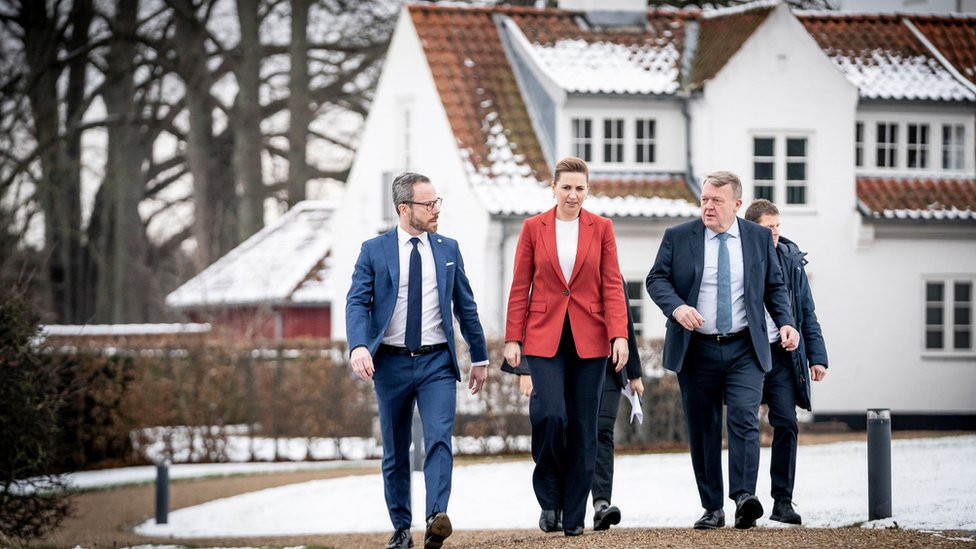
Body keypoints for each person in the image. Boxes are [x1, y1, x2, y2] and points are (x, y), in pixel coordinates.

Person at [646, 171, 799, 530]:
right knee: (704, 427)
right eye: (704, 199)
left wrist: (787, 322)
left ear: (737, 204)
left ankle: (744, 497)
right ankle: (712, 507)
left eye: (717, 200)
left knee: (744, 418)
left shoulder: (759, 238)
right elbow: (656, 279)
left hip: (745, 346)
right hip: (696, 348)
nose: (709, 206)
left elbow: (775, 286)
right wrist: (677, 308)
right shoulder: (679, 237)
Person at [346, 172, 489, 549]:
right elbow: (357, 302)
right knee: (395, 449)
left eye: (437, 201)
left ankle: (435, 517)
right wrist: (359, 345)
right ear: (404, 208)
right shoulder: (373, 251)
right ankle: (400, 528)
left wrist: (479, 356)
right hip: (389, 364)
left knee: (439, 438)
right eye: (428, 204)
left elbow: (465, 306)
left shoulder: (448, 249)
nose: (436, 209)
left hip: (436, 364)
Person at [504, 156, 629, 537]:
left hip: (591, 338)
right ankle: (550, 499)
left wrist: (619, 334)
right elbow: (520, 284)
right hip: (543, 336)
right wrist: (513, 337)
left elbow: (612, 284)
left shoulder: (602, 228)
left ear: (587, 190)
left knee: (583, 427)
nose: (573, 195)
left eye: (580, 188)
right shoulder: (533, 227)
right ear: (553, 188)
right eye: (566, 187)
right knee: (550, 415)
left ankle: (573, 516)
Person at [505, 282, 643, 531]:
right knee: (562, 428)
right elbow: (533, 310)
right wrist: (526, 368)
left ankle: (601, 504)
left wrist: (634, 373)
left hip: (607, 365)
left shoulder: (606, 262)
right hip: (560, 362)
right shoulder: (551, 257)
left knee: (600, 431)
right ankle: (556, 503)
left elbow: (623, 318)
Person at [744, 199, 829, 525]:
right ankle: (745, 501)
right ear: (753, 228)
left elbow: (807, 311)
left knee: (786, 423)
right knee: (746, 426)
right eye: (769, 227)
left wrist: (817, 357)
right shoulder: (740, 256)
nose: (776, 233)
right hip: (748, 353)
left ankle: (783, 501)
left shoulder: (792, 261)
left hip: (782, 356)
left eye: (778, 226)